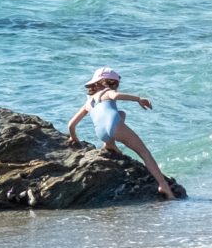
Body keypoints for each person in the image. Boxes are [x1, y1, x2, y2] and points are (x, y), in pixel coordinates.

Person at [65, 66, 175, 196]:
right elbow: (116, 96)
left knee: (121, 113)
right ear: (111, 83)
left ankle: (109, 144)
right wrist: (139, 99)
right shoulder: (107, 92)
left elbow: (71, 125)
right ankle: (163, 186)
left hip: (101, 133)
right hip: (115, 126)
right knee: (145, 153)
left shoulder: (88, 102)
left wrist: (73, 137)